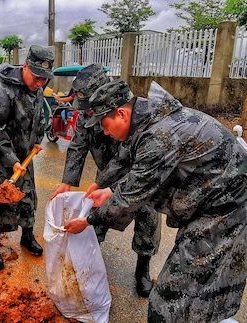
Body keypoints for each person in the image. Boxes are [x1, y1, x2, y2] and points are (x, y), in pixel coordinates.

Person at [64, 80, 247, 322]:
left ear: (122, 114)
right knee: (196, 286)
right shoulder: (147, 118)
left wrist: (88, 220)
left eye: (105, 125)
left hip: (225, 206)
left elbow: (132, 196)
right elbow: (131, 165)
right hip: (211, 196)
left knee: (170, 298)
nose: (105, 133)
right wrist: (107, 187)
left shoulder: (159, 136)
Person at [49, 64, 161, 297]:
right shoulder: (84, 114)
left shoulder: (127, 110)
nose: (88, 112)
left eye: (91, 107)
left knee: (147, 219)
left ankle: (143, 269)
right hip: (106, 174)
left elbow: (136, 161)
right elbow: (78, 146)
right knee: (95, 218)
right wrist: (67, 181)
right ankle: (86, 261)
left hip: (139, 174)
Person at [0, 45, 53, 270]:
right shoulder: (3, 91)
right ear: (25, 67)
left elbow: (40, 117)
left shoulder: (38, 88)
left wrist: (38, 138)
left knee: (27, 196)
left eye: (45, 79)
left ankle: (27, 236)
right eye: (37, 77)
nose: (40, 83)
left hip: (23, 154)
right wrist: (12, 160)